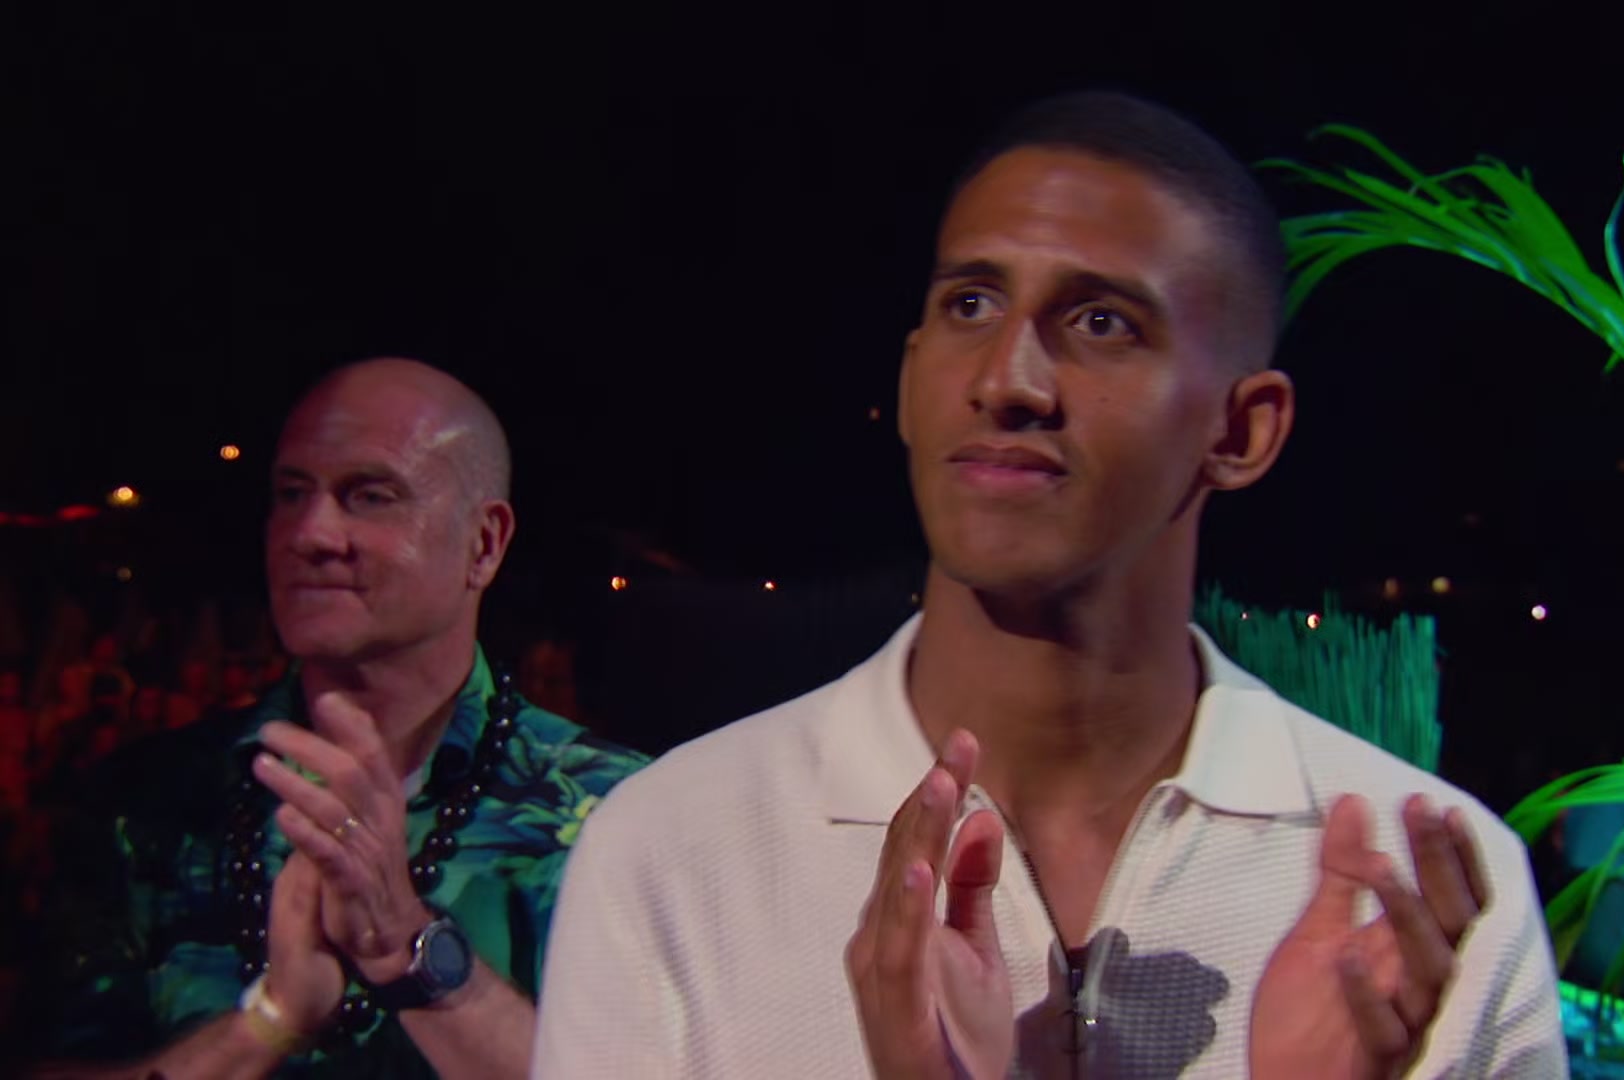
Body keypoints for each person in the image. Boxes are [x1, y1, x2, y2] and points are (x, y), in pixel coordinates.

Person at [533, 92, 1567, 1078]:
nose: (1006, 380)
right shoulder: (677, 853)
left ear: (1242, 431)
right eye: (971, 304)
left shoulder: (1421, 896)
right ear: (910, 379)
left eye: (1102, 322)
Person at [23, 357, 650, 1079]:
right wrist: (270, 1022)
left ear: (483, 543)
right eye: (291, 494)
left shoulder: (614, 810)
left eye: (371, 496)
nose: (312, 533)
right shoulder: (143, 809)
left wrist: (407, 947)